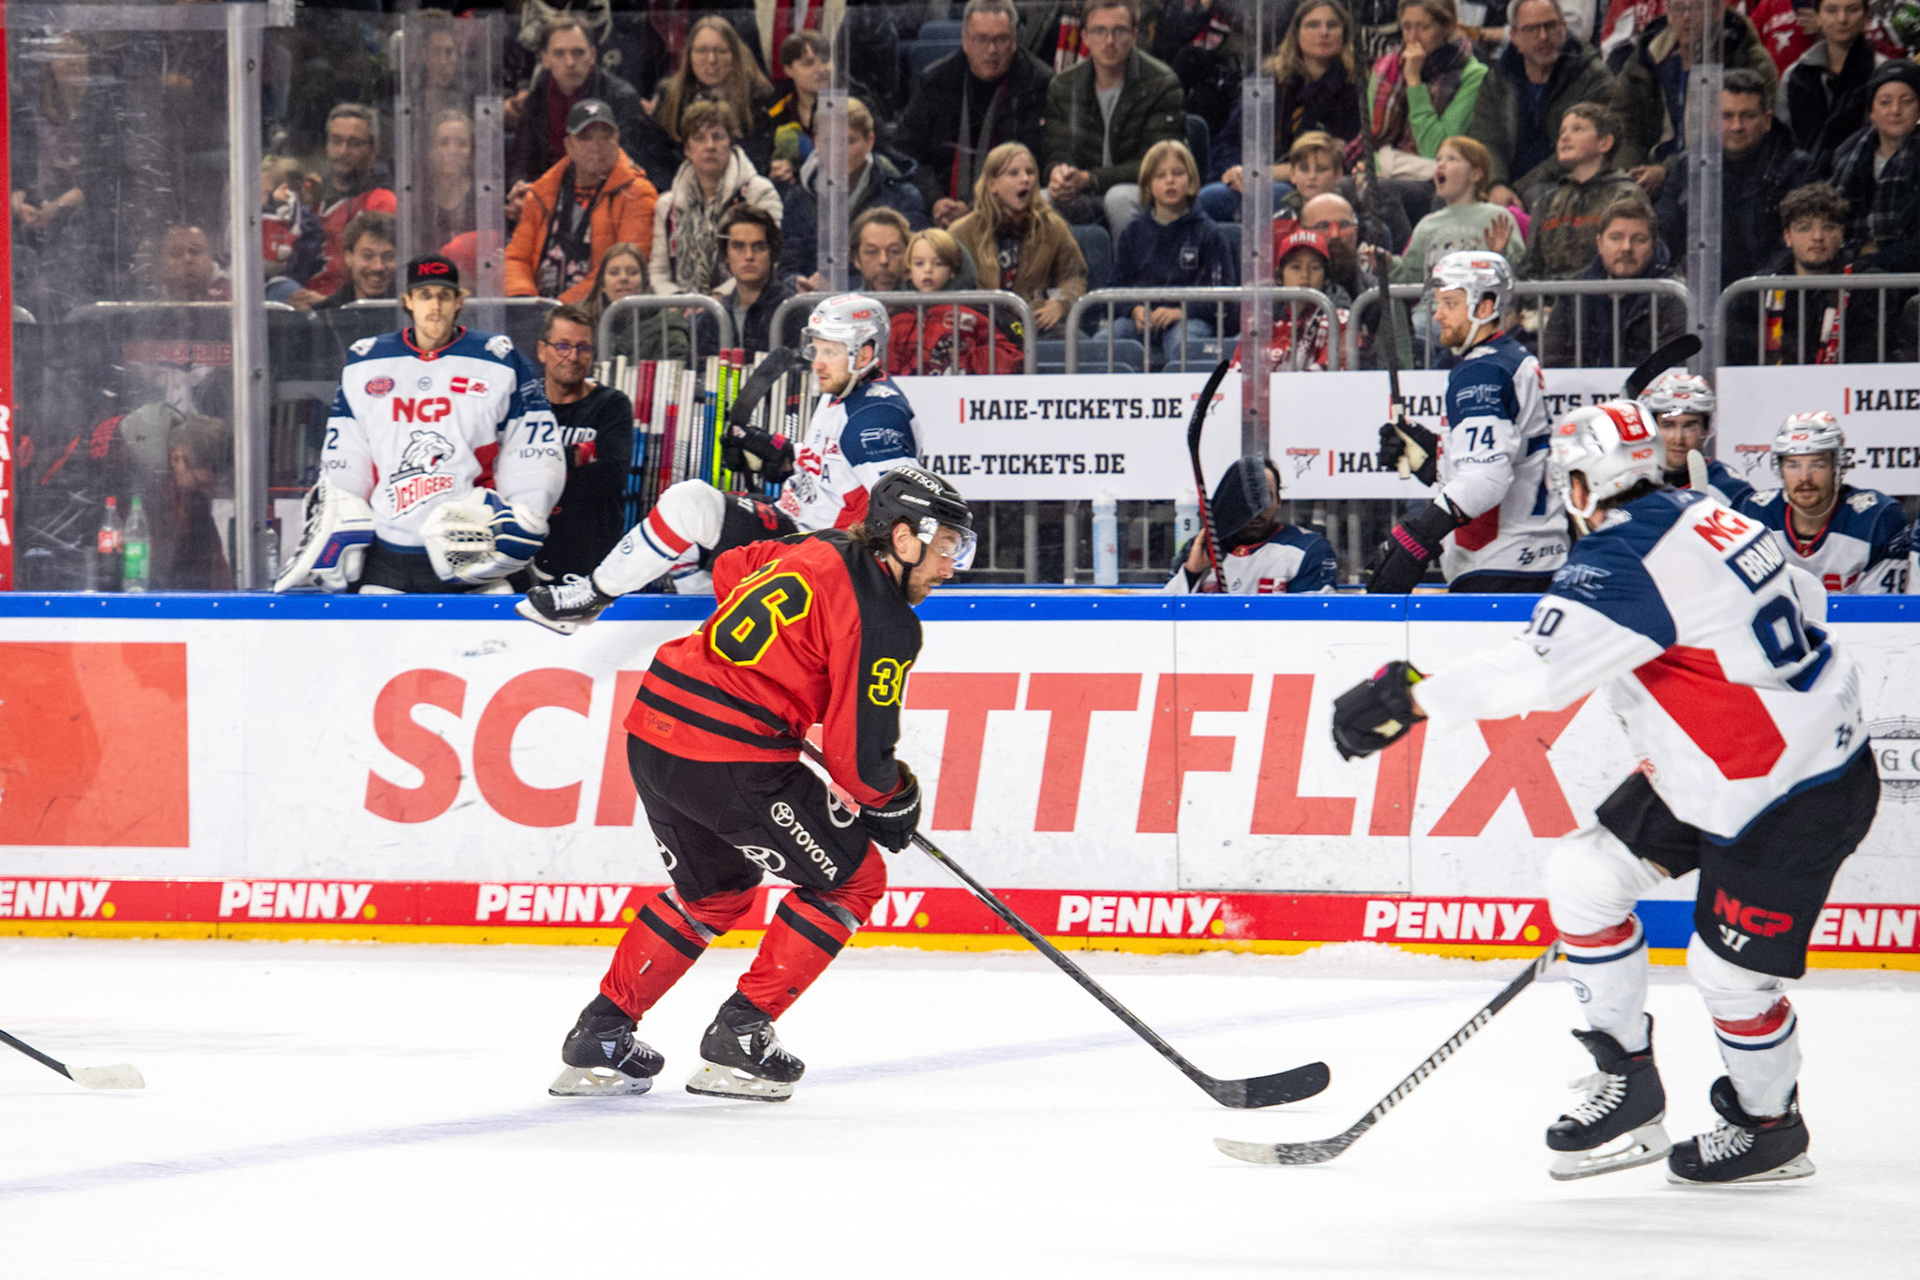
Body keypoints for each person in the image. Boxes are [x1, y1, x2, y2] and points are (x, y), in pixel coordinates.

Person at [1330, 397, 1879, 1185]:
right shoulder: (1703, 511)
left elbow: (1532, 672)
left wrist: (1409, 698)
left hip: (1794, 790)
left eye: (1565, 485)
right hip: (1723, 763)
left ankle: (1770, 1129)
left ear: (1584, 486)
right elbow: (1808, 598)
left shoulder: (1621, 560)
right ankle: (1629, 1079)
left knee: (1727, 974)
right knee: (1583, 876)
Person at [541, 465, 972, 1102]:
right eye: (944, 548)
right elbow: (860, 762)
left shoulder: (817, 545)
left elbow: (733, 568)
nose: (950, 565)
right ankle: (741, 1036)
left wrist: (778, 666)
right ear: (903, 539)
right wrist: (894, 801)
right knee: (854, 878)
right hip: (728, 756)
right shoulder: (886, 621)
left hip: (654, 727)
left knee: (713, 893)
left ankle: (600, 1035)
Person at [517, 294, 923, 612]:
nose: (816, 362)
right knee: (681, 539)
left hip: (823, 551)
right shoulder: (846, 390)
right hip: (799, 526)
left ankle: (593, 595)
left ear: (865, 354)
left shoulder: (876, 419)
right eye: (816, 349)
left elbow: (909, 506)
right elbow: (833, 467)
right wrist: (779, 451)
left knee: (687, 504)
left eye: (829, 351)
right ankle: (719, 619)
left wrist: (887, 588)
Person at [275, 254, 564, 596]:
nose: (435, 305)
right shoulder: (366, 361)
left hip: (472, 549)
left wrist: (526, 515)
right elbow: (346, 454)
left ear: (459, 301)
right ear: (408, 301)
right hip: (387, 555)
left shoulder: (499, 358)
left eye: (444, 295)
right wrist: (341, 523)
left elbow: (532, 450)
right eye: (425, 295)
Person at [1369, 250, 1565, 593]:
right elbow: (1506, 455)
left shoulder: (1482, 371)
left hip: (1499, 564)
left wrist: (1417, 537)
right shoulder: (1508, 358)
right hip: (1532, 557)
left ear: (1485, 307)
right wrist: (1430, 456)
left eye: (1450, 303)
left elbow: (1485, 477)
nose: (1438, 315)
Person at [1199, 0, 1364, 223]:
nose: (1324, 32)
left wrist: (1266, 173)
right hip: (1252, 177)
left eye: (1332, 25)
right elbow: (1229, 140)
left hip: (1313, 182)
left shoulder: (1355, 86)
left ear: (1344, 33)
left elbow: (1341, 153)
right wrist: (1235, 171)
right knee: (1209, 198)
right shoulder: (1268, 79)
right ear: (1296, 33)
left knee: (1275, 196)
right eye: (1313, 25)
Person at [897, 0, 1055, 229]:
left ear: (1014, 41)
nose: (991, 50)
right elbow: (907, 151)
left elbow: (1034, 163)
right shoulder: (935, 82)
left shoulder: (1039, 84)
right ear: (965, 40)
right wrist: (935, 201)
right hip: (939, 212)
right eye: (982, 39)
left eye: (1000, 39)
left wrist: (975, 209)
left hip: (1010, 215)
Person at [1041, 0, 1188, 236]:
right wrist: (1060, 174)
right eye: (1100, 31)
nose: (1109, 41)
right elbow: (1056, 150)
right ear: (1086, 37)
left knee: (1118, 198)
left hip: (1141, 192)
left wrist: (1091, 179)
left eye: (1118, 31)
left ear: (1133, 35)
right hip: (1084, 192)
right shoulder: (1063, 86)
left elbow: (1157, 163)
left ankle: (1130, 273)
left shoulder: (1161, 83)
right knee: (1043, 199)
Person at [1657, 70, 1814, 288]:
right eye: (1726, 116)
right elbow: (1664, 229)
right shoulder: (1690, 168)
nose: (1737, 126)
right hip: (1701, 299)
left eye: (1748, 116)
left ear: (1767, 120)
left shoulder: (1796, 168)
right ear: (1712, 121)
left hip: (1770, 295)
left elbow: (1796, 243)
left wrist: (1752, 289)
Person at [1608, 0, 1777, 198]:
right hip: (1648, 177)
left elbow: (1740, 134)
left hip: (1721, 183)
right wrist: (1630, 176)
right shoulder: (1646, 55)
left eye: (1697, 6)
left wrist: (1669, 172)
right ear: (1667, 12)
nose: (1686, 16)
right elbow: (1624, 122)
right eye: (1679, 7)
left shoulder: (1747, 57)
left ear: (1717, 10)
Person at [506, 99, 660, 306]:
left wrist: (559, 312)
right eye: (585, 138)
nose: (597, 146)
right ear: (568, 145)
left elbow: (625, 269)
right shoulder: (541, 193)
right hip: (536, 310)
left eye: (606, 137)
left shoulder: (638, 194)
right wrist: (524, 300)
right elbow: (516, 258)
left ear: (617, 139)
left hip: (598, 312)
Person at [1724, 182, 1892, 366]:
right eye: (1804, 228)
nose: (1817, 236)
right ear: (1787, 236)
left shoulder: (1867, 285)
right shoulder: (1757, 291)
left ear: (1841, 234)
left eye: (1828, 227)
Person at [1102, 139, 1236, 369]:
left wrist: (1180, 312)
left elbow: (1223, 299)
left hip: (1189, 319)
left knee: (1182, 343)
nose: (1170, 181)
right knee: (1104, 342)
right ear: (1147, 185)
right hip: (1142, 321)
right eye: (1160, 175)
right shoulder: (1132, 233)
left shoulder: (1210, 233)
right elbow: (1118, 287)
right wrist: (1134, 310)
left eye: (1177, 173)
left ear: (1191, 180)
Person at [1739, 413, 1909, 594]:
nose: (1804, 477)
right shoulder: (1755, 514)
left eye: (1817, 464)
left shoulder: (1877, 519)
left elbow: (1881, 613)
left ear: (1837, 465)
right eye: (1793, 465)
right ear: (1780, 468)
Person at [1470, 0, 1615, 208]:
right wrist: (1495, 185)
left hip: (1567, 182)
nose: (1543, 36)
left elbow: (1578, 152)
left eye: (1550, 26)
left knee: (1539, 197)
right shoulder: (1498, 79)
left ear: (1564, 27)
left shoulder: (1593, 77)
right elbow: (1487, 139)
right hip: (1505, 185)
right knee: (1453, 193)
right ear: (1514, 37)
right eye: (1531, 29)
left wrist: (1517, 189)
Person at [533, 304, 635, 582]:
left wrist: (538, 470)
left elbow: (612, 477)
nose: (573, 357)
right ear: (543, 350)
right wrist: (573, 456)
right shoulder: (524, 404)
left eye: (583, 348)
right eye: (563, 346)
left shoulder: (612, 405)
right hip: (528, 556)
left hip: (594, 562)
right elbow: (503, 473)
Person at [779, 97, 929, 284]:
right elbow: (787, 267)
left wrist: (843, 287)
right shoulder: (798, 198)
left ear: (869, 142)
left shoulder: (902, 196)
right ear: (816, 143)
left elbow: (914, 265)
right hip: (815, 307)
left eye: (848, 141)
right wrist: (798, 283)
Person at [950, 141, 1090, 335]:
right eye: (1014, 173)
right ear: (992, 185)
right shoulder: (961, 231)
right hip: (979, 327)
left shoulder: (1052, 226)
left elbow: (1073, 275)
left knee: (1076, 341)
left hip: (1034, 324)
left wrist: (1059, 304)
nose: (1025, 179)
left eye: (1030, 172)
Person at [648, 100, 784, 297]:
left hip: (742, 304)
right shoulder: (667, 205)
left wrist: (719, 299)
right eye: (700, 138)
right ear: (687, 149)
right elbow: (658, 273)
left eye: (718, 137)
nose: (710, 146)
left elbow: (769, 258)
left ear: (730, 144)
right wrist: (678, 302)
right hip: (679, 310)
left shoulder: (759, 192)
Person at [1540, 192, 1686, 368]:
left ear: (1654, 245)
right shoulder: (1573, 292)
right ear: (1600, 243)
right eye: (1616, 238)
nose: (1626, 248)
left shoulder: (1671, 293)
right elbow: (1554, 362)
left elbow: (1674, 364)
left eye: (1639, 240)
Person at [505, 17, 653, 190]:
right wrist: (519, 188)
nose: (570, 63)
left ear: (592, 55)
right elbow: (521, 162)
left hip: (606, 193)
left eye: (578, 53)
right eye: (559, 54)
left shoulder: (622, 97)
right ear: (545, 59)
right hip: (548, 195)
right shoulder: (536, 98)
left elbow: (629, 164)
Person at [1166, 454, 1338, 593]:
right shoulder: (1200, 548)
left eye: (1264, 499)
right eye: (1246, 502)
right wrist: (1191, 572)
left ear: (1279, 500)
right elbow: (1164, 618)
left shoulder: (1308, 549)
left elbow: (1313, 623)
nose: (1255, 511)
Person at [1363, 0, 1487, 182]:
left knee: (1384, 192)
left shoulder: (1473, 75)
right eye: (1406, 27)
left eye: (1424, 27)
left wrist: (1414, 82)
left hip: (1438, 180)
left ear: (1448, 27)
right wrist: (1375, 166)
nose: (1413, 38)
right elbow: (1372, 139)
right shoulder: (1386, 68)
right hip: (1387, 169)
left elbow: (1436, 149)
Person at [1380, 135, 1524, 290]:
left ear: (1475, 174)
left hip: (1480, 307)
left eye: (1451, 159)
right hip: (1433, 309)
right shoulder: (1427, 224)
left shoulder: (1497, 217)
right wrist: (1388, 264)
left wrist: (1501, 253)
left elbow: (1521, 268)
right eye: (1438, 159)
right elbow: (1410, 276)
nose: (1440, 165)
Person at [1521, 103, 1640, 281]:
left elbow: (1626, 261)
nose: (1564, 138)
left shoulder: (1626, 195)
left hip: (1602, 301)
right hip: (1548, 304)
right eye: (1562, 132)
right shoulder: (1548, 201)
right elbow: (1531, 266)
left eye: (1577, 129)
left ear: (1604, 143)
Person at [651, 15, 777, 180]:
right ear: (689, 55)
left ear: (734, 56)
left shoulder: (758, 96)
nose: (711, 60)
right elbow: (657, 157)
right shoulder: (669, 94)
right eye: (702, 50)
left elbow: (759, 158)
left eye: (721, 51)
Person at [887, 227, 1026, 375]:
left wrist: (967, 355)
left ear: (953, 271)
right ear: (909, 271)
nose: (928, 269)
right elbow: (886, 371)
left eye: (938, 263)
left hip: (966, 393)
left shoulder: (978, 313)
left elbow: (1011, 361)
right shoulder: (897, 320)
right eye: (919, 263)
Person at [1825, 60, 1920, 273]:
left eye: (1907, 101)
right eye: (1885, 102)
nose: (1895, 110)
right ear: (1872, 112)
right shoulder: (1845, 156)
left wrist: (1873, 260)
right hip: (1849, 270)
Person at [1778, 0, 1886, 160]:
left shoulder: (1882, 73)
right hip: (1804, 179)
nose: (1842, 19)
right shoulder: (1794, 76)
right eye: (1831, 10)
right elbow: (1783, 141)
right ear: (1817, 16)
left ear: (1866, 16)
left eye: (1852, 9)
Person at [309, 103, 396, 298]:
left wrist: (328, 303)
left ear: (373, 150)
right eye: (336, 141)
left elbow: (378, 273)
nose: (343, 151)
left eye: (354, 143)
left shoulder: (382, 201)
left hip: (348, 309)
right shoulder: (309, 193)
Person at [1637, 369, 1753, 507]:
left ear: (1707, 428)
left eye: (1689, 426)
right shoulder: (1630, 483)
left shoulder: (1732, 490)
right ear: (1653, 427)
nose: (1678, 439)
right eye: (1668, 426)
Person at [1241, 229, 1346, 370]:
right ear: (1280, 275)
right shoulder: (1258, 322)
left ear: (1326, 277)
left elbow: (1329, 377)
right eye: (1295, 267)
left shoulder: (1338, 322)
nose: (1305, 275)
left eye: (1315, 268)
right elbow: (1241, 373)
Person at [711, 205, 797, 356]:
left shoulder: (792, 311)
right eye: (739, 247)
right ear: (726, 254)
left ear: (772, 252)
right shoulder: (713, 315)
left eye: (759, 247)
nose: (749, 255)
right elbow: (700, 371)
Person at [766, 30, 832, 186]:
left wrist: (797, 169)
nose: (821, 69)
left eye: (825, 60)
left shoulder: (853, 102)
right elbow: (761, 158)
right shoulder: (775, 108)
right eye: (809, 63)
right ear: (788, 70)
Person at [301, 210, 396, 310]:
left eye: (387, 257)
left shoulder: (411, 314)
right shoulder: (324, 316)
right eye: (367, 256)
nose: (378, 266)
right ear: (349, 257)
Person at [425, 110, 475, 256]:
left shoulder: (483, 199)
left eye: (462, 144)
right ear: (431, 150)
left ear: (472, 152)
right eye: (444, 143)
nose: (453, 150)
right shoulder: (418, 199)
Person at [155, 224, 231, 302]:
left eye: (195, 251)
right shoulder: (150, 297)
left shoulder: (233, 292)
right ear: (162, 263)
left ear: (210, 258)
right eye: (176, 253)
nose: (187, 259)